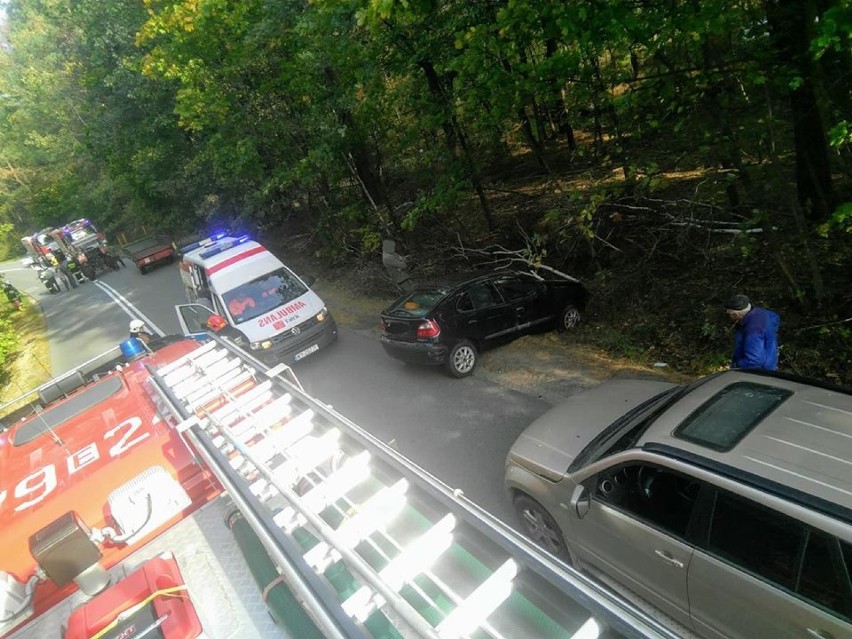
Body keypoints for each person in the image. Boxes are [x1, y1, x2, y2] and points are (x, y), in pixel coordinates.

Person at [725, 294, 780, 370]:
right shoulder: (763, 313)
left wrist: (735, 365)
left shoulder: (753, 330)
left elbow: (754, 360)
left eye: (729, 314)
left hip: (760, 372)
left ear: (736, 314)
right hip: (770, 363)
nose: (729, 316)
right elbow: (775, 318)